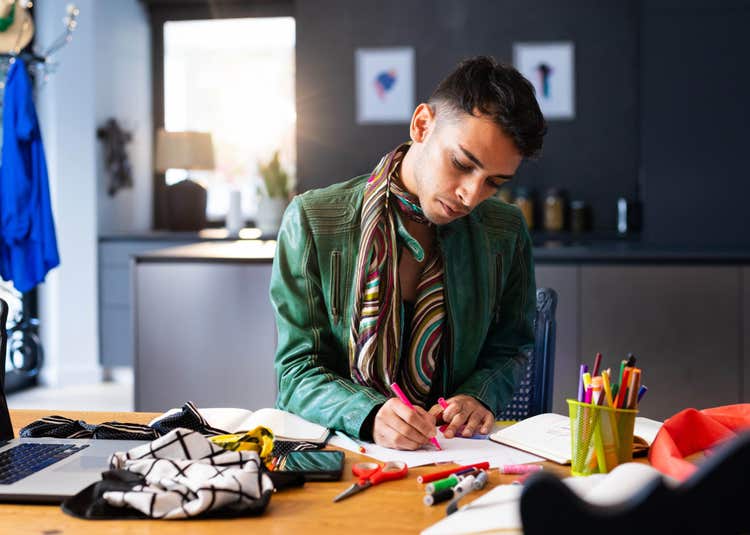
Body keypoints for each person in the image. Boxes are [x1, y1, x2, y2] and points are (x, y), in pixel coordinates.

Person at [270, 56, 546, 450]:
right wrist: (367, 413)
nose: (471, 195)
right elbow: (297, 371)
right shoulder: (312, 221)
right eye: (461, 164)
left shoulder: (506, 231)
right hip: (342, 452)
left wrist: (477, 395)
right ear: (422, 125)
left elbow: (511, 347)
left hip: (457, 455)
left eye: (494, 183)